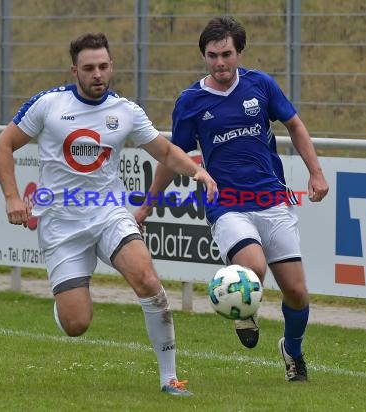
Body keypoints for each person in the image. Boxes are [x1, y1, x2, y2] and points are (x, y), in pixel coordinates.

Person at [0, 32, 217, 396]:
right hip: (61, 224)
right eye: (88, 68)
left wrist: (197, 171)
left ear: (111, 66)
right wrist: (12, 198)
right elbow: (4, 145)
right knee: (76, 323)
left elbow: (164, 150)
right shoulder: (48, 105)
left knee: (147, 279)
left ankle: (170, 379)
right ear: (74, 71)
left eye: (103, 66)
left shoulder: (125, 112)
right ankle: (65, 302)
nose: (97, 74)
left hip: (109, 214)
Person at [134, 16, 329, 382]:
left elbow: (295, 126)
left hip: (272, 199)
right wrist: (148, 203)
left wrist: (315, 172)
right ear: (204, 56)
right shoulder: (192, 101)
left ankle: (292, 351)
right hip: (227, 204)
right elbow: (173, 155)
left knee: (297, 293)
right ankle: (243, 310)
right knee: (252, 267)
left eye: (226, 54)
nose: (219, 63)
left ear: (239, 52)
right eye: (212, 56)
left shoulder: (261, 85)